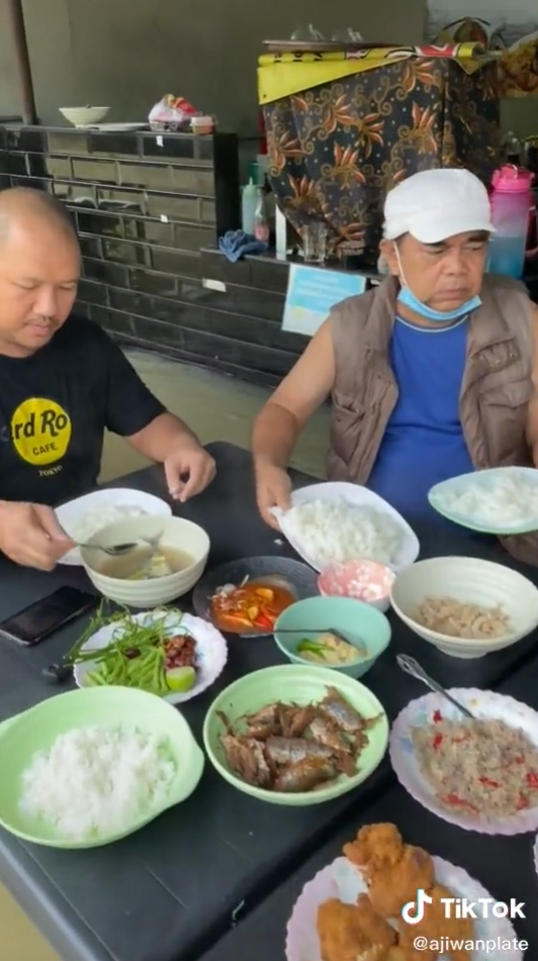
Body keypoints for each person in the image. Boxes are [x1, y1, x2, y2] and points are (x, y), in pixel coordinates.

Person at [251, 168, 538, 565]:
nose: (458, 266)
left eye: (474, 246)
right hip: (371, 542)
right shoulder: (349, 327)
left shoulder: (521, 318)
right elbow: (286, 407)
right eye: (436, 249)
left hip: (490, 547)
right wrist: (269, 465)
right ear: (392, 256)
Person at [0, 187, 216, 571]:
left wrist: (182, 446)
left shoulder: (84, 345)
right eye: (28, 287)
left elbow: (146, 420)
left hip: (86, 551)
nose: (49, 309)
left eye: (67, 287)